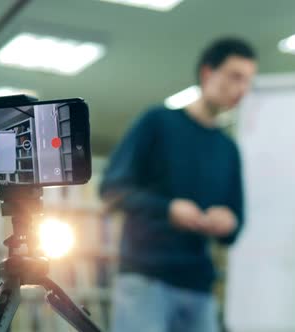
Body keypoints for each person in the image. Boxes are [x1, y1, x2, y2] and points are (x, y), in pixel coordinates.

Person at [99, 37, 257, 332]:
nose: (242, 89)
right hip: (146, 278)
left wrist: (228, 221)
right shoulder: (157, 122)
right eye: (235, 77)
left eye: (248, 80)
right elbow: (111, 190)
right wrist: (169, 209)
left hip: (199, 285)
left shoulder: (227, 148)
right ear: (208, 73)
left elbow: (237, 220)